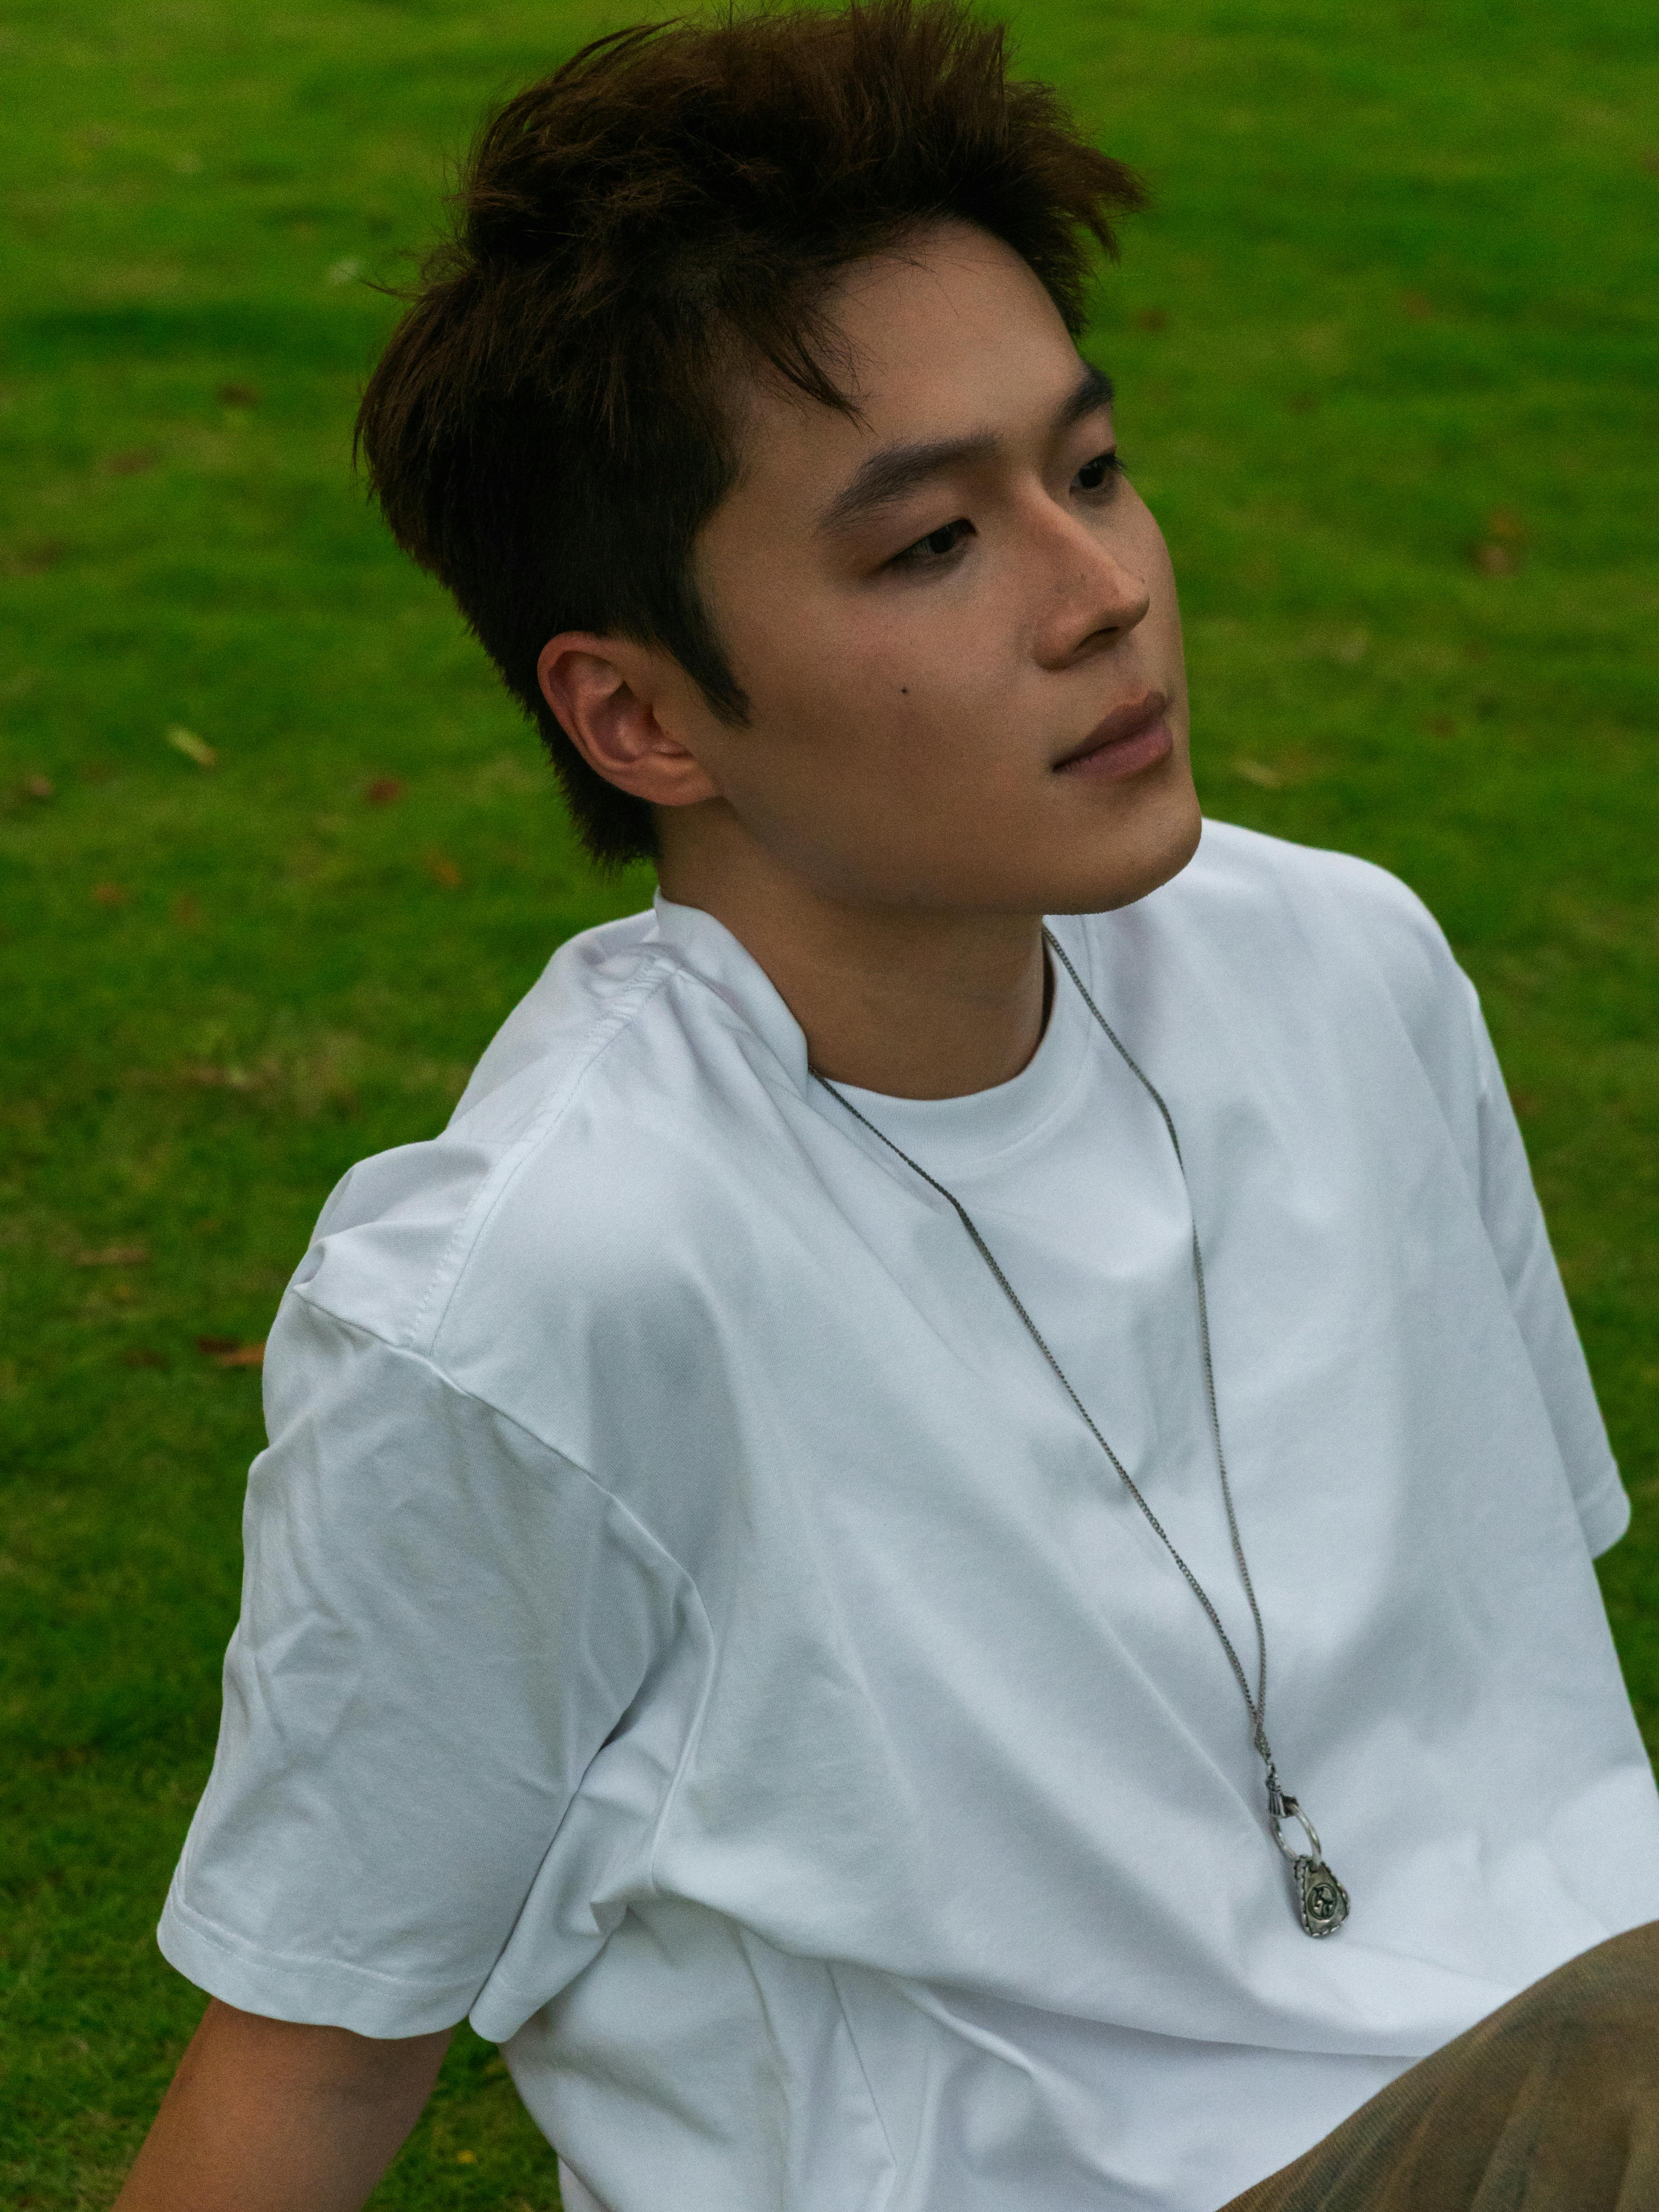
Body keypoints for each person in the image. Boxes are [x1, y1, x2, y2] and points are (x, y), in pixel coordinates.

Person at [113, 5, 1659, 2208]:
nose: (1104, 590)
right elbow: (304, 2067)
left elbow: (1507, 1729)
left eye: (1096, 469)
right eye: (933, 546)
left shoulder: (1349, 975)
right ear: (641, 715)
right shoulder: (540, 1290)